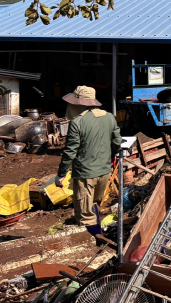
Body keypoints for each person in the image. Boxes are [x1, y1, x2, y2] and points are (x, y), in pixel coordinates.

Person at [55, 86, 122, 235]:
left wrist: (61, 174)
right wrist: (113, 155)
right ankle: (98, 233)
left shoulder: (77, 122)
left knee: (85, 215)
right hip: (104, 172)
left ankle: (95, 240)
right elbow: (117, 142)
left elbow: (70, 151)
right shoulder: (109, 117)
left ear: (78, 103)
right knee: (94, 204)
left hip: (85, 174)